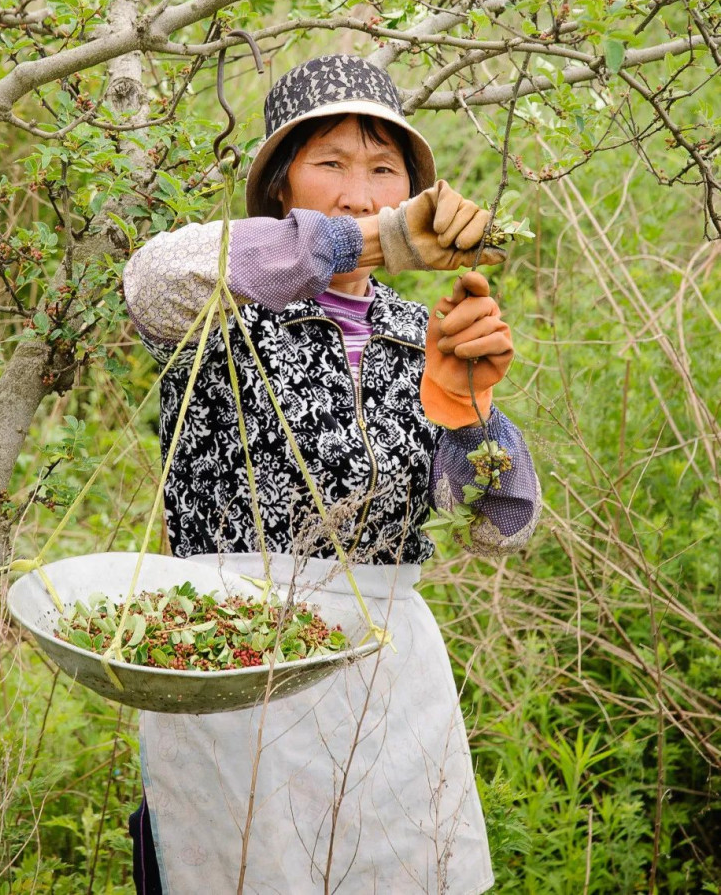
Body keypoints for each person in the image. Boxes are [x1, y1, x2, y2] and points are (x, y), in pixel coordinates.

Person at [123, 53, 540, 893]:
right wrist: (373, 240)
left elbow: (503, 528)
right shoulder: (223, 299)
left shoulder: (417, 330)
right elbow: (148, 280)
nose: (358, 191)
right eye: (331, 164)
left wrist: (472, 410)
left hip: (384, 684)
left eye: (383, 170)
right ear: (282, 186)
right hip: (231, 665)